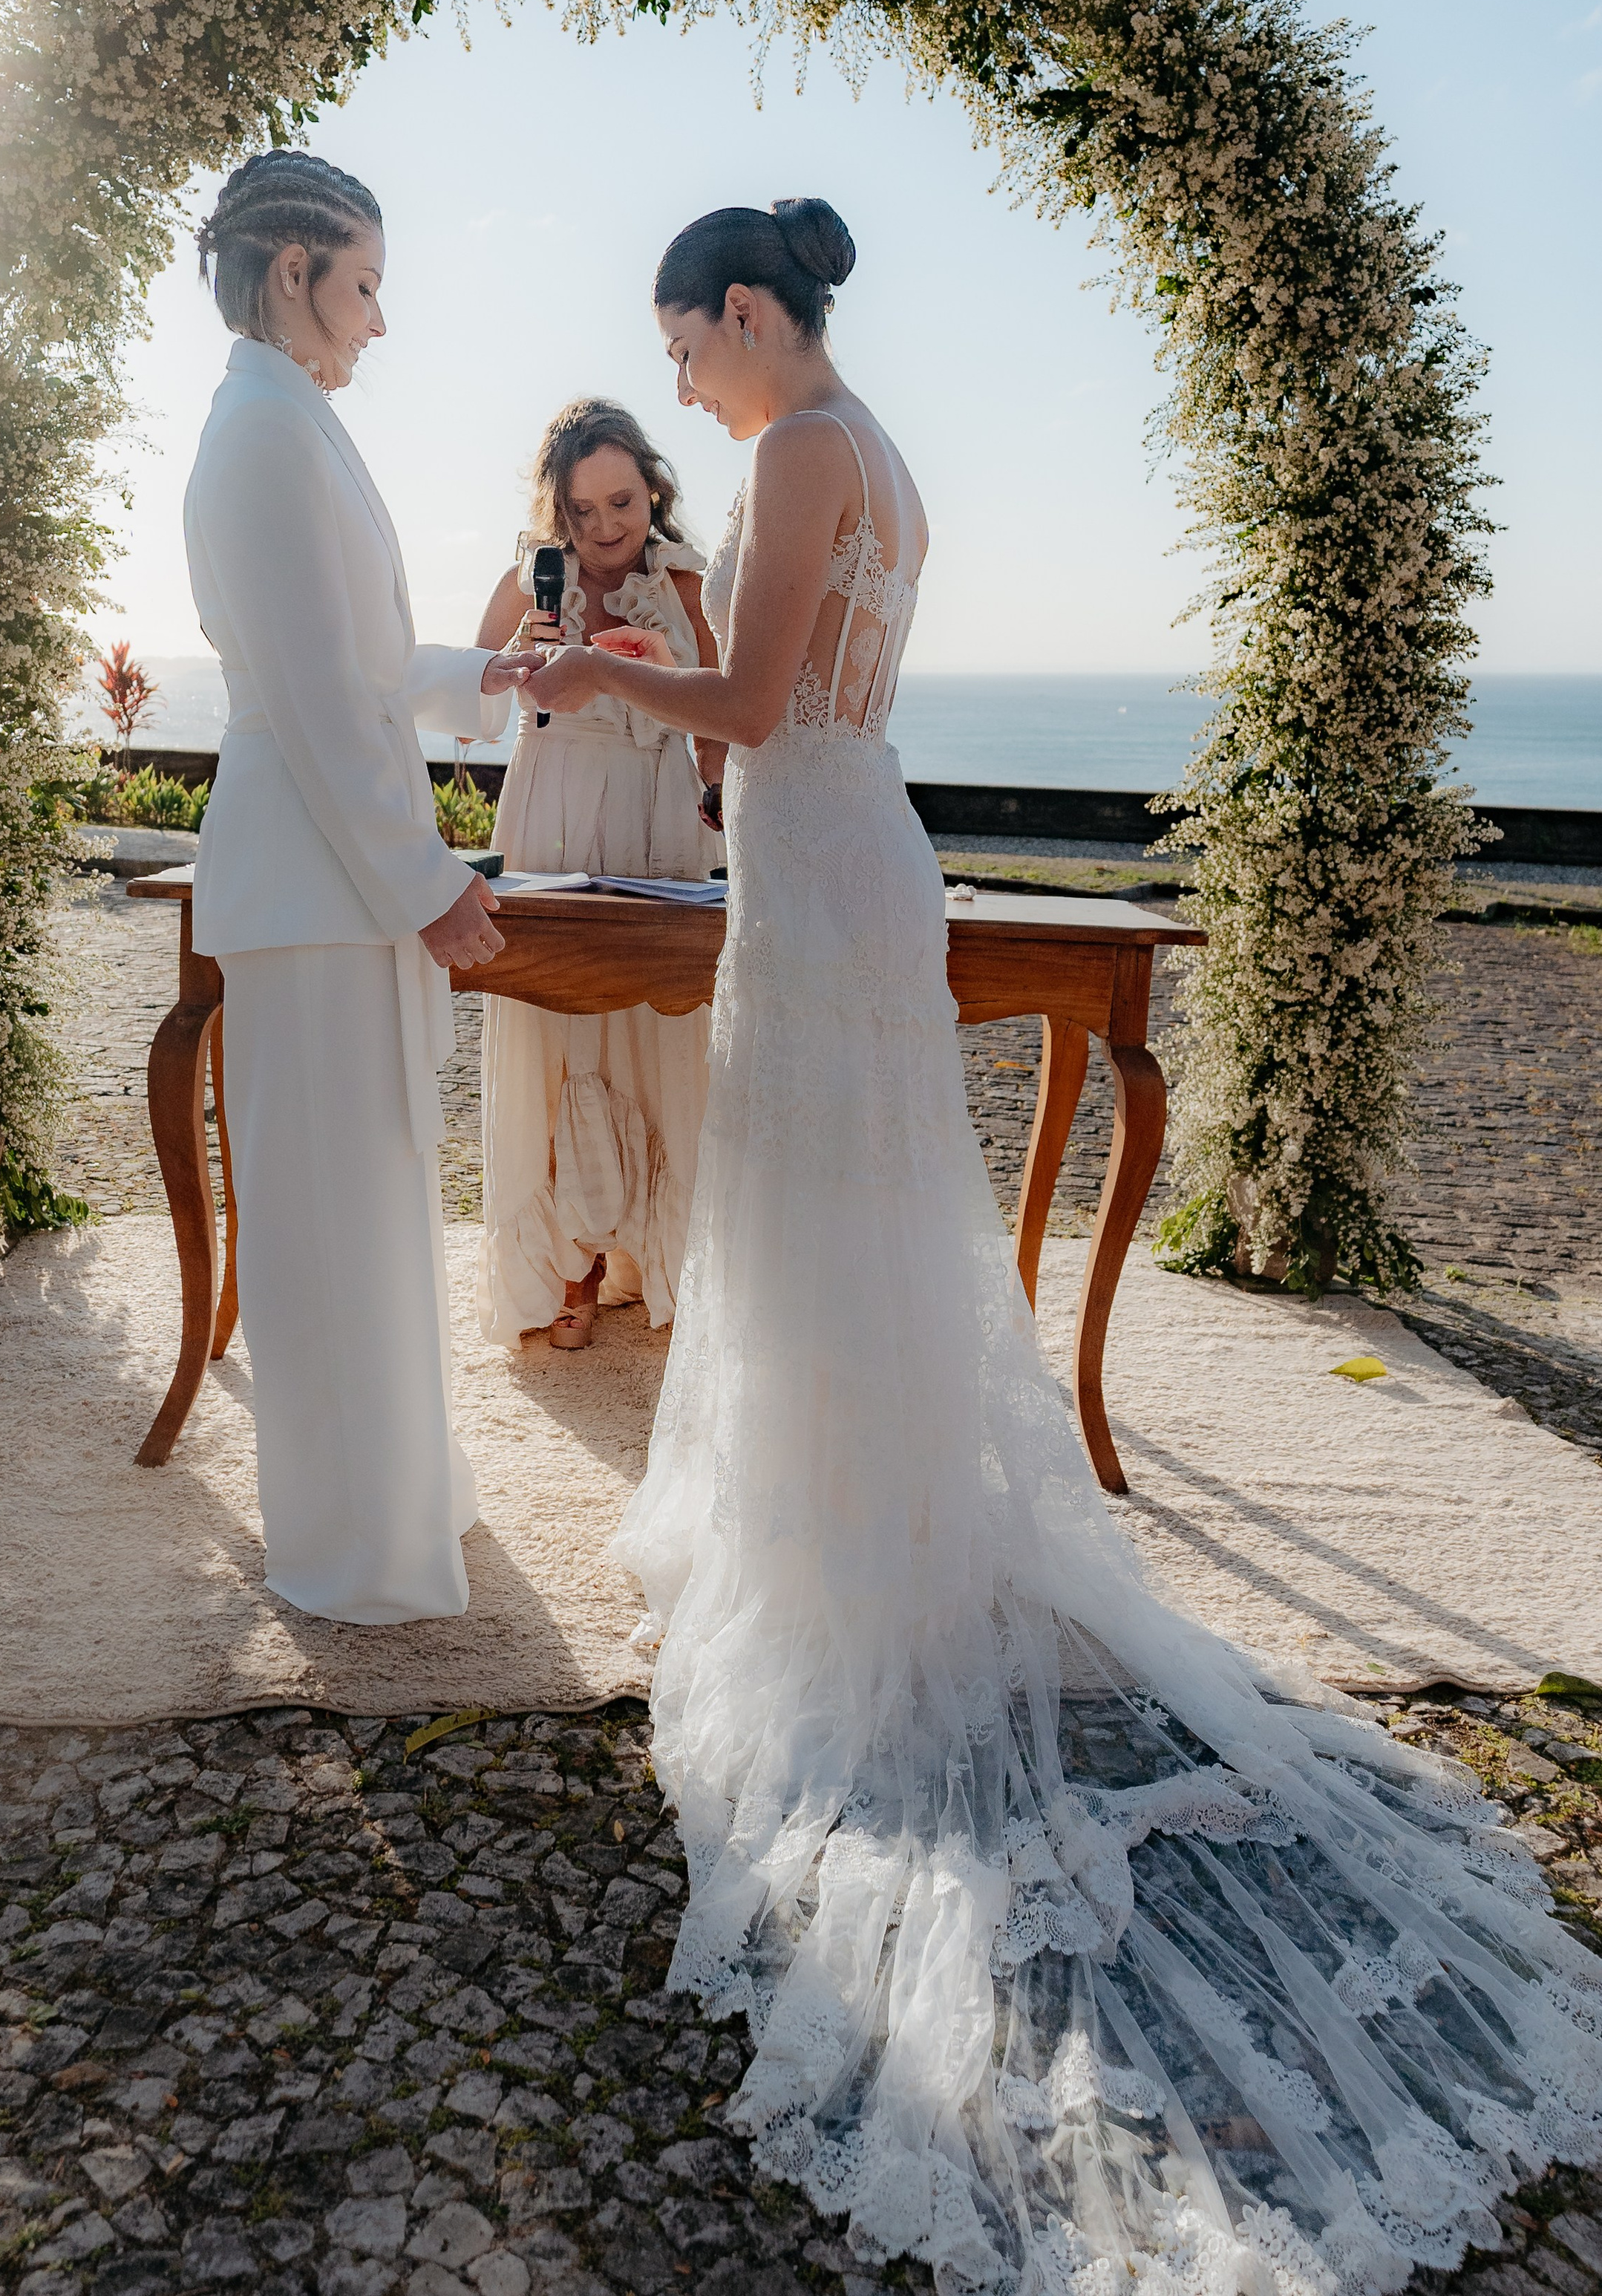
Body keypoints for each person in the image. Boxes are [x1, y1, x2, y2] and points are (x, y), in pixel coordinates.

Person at [526, 200, 1601, 2295]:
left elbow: (752, 702)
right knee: (847, 1218)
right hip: (856, 848)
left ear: (752, 314)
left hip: (824, 855)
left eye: (687, 345)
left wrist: (600, 665)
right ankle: (851, 1507)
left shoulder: (807, 447)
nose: (682, 384)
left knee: (830, 1213)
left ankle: (846, 1558)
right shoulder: (871, 444)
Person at [184, 150, 537, 1624]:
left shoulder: (288, 424)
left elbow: (367, 662)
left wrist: (477, 676)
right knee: (328, 1230)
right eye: (366, 285)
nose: (377, 321)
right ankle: (349, 1556)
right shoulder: (263, 432)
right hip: (319, 878)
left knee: (368, 1209)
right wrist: (429, 880)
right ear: (292, 276)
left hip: (332, 882)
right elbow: (323, 701)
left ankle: (401, 1510)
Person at [473, 399, 725, 1348]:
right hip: (554, 815)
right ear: (560, 513)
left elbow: (715, 720)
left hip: (659, 820)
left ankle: (658, 1261)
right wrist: (514, 657)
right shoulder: (532, 580)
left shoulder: (687, 585)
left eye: (623, 500)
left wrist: (712, 801)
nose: (610, 525)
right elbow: (471, 710)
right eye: (586, 511)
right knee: (558, 1033)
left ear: (651, 489)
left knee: (659, 1037)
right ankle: (568, 1273)